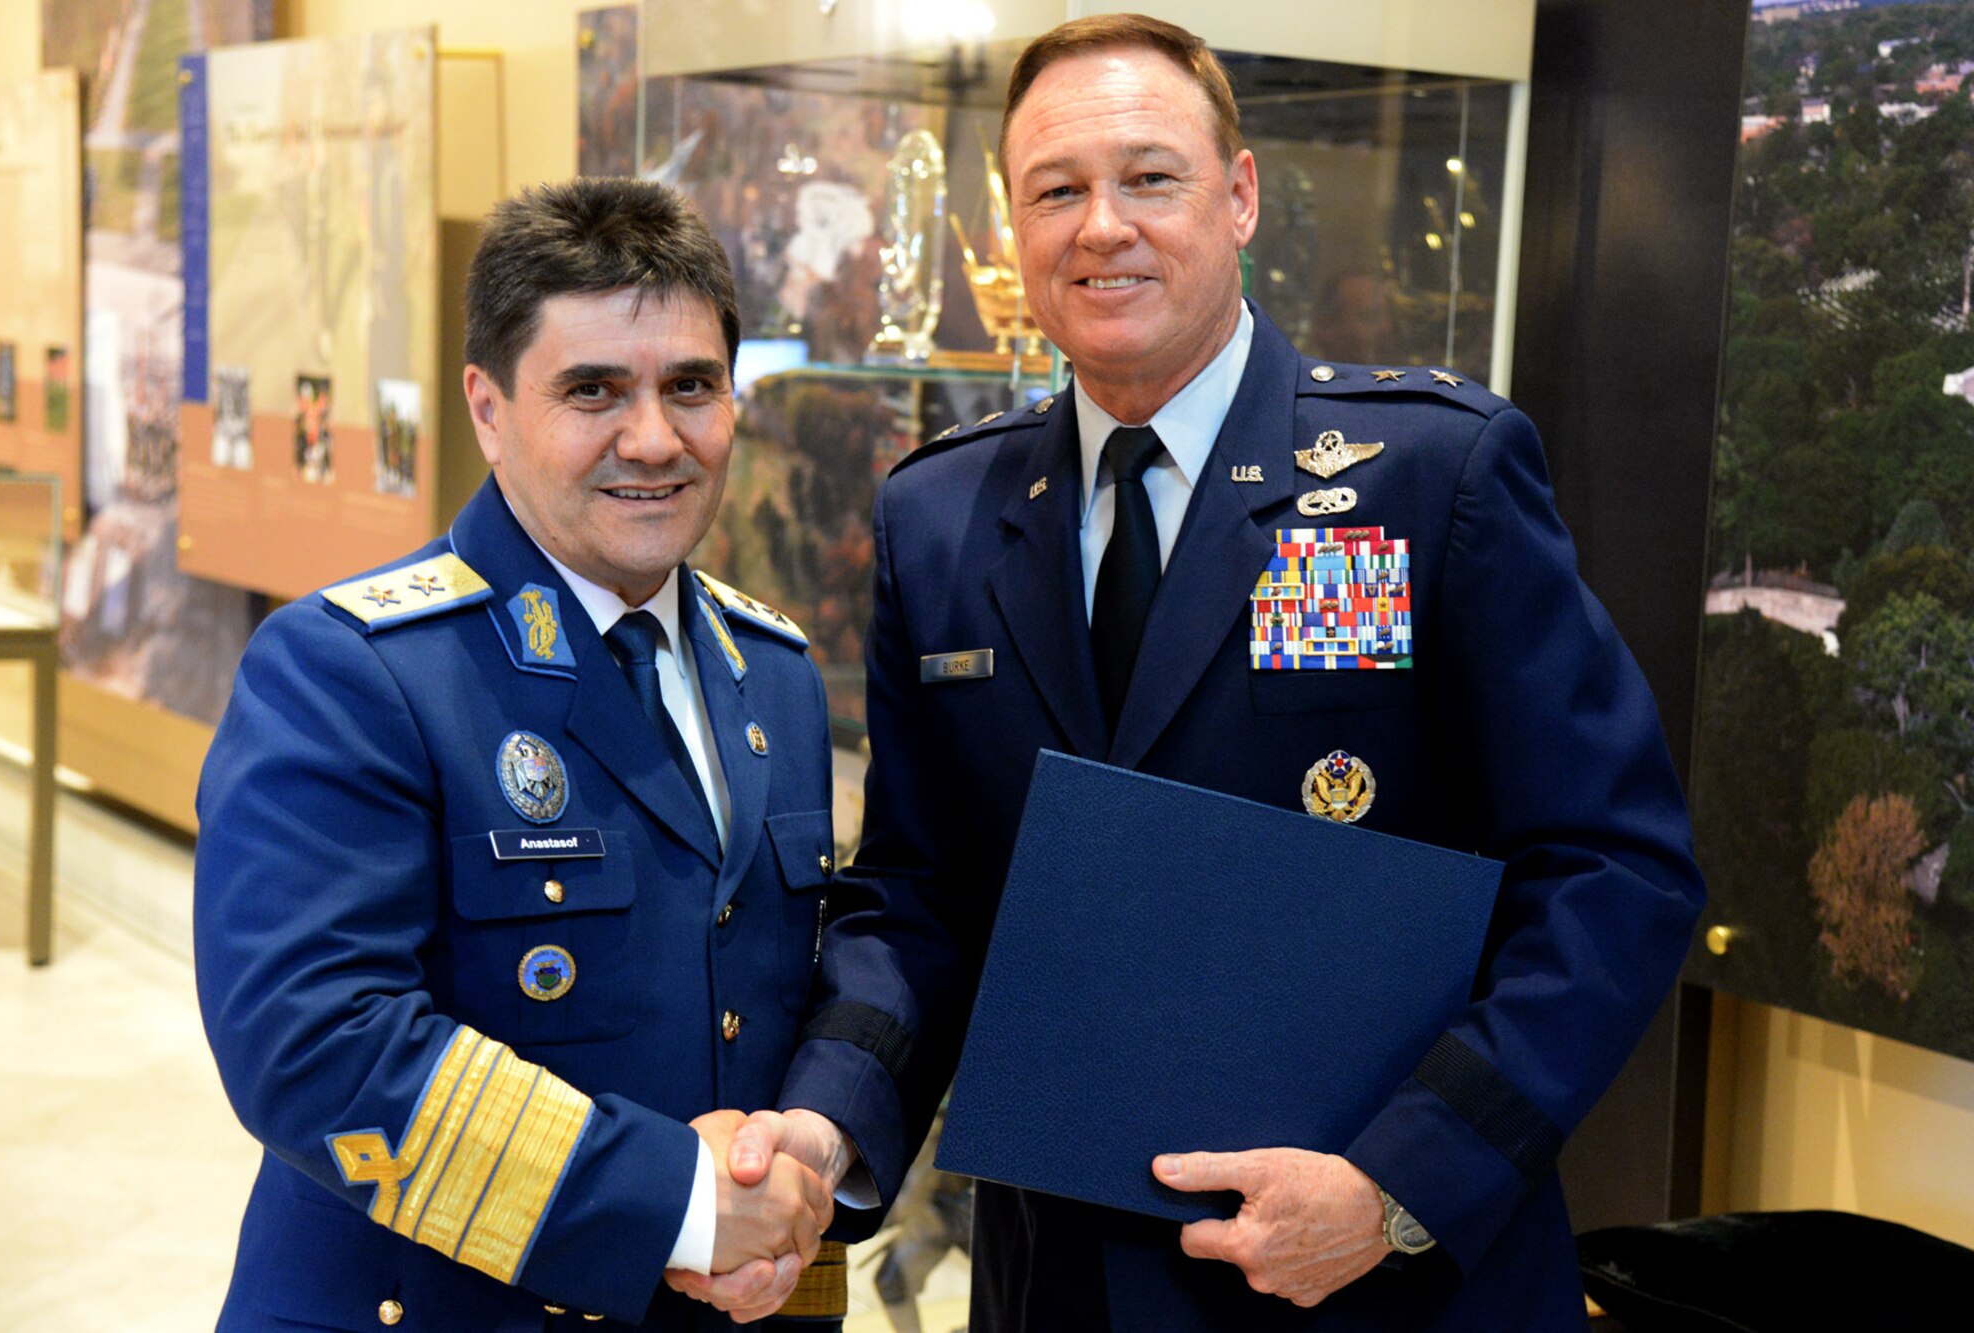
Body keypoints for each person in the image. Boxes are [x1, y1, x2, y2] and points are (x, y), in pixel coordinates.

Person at [715, 13, 1707, 1331]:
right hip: (1059, 1275)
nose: (1102, 227)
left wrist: (1397, 1183)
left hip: (1377, 1274)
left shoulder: (1430, 478)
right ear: (1013, 228)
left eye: (1150, 177)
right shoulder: (941, 518)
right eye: (1055, 191)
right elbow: (919, 899)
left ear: (1238, 196)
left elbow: (1614, 869)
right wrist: (824, 1126)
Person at [194, 177, 869, 1330]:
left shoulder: (776, 672)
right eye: (591, 390)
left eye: (691, 387)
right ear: (488, 408)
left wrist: (802, 1151)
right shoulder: (351, 670)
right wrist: (675, 1204)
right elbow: (312, 1044)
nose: (652, 439)